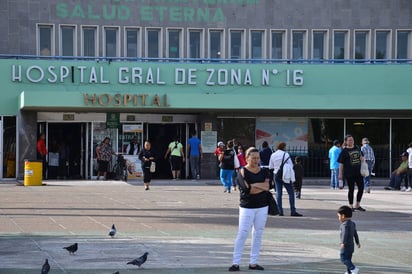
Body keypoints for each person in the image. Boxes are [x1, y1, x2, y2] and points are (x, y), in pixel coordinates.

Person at [228, 147, 270, 272]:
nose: (256, 160)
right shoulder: (242, 172)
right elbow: (248, 190)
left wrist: (255, 185)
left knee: (258, 233)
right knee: (243, 233)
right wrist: (259, 186)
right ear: (247, 158)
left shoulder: (264, 171)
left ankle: (254, 262)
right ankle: (236, 263)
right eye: (253, 158)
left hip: (262, 206)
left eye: (258, 158)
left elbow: (267, 186)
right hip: (247, 207)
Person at [268, 141, 302, 216]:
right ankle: (293, 211)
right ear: (283, 147)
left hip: (276, 174)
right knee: (290, 192)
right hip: (285, 175)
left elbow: (270, 166)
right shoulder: (286, 154)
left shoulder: (273, 155)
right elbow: (291, 165)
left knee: (279, 193)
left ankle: (280, 211)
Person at [338, 135, 366, 212]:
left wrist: (362, 159)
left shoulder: (357, 148)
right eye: (349, 140)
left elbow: (362, 157)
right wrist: (340, 174)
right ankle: (350, 205)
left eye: (352, 140)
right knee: (351, 189)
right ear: (346, 142)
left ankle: (357, 204)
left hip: (358, 172)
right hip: (349, 173)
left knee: (361, 188)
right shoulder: (344, 151)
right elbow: (341, 163)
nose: (351, 141)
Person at [337, 205, 360, 274]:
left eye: (338, 216)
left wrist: (342, 243)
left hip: (346, 246)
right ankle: (349, 272)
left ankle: (353, 269)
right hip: (351, 246)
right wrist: (357, 242)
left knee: (343, 258)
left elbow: (344, 233)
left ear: (343, 216)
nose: (338, 218)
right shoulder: (352, 223)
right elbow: (355, 233)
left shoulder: (344, 225)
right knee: (348, 259)